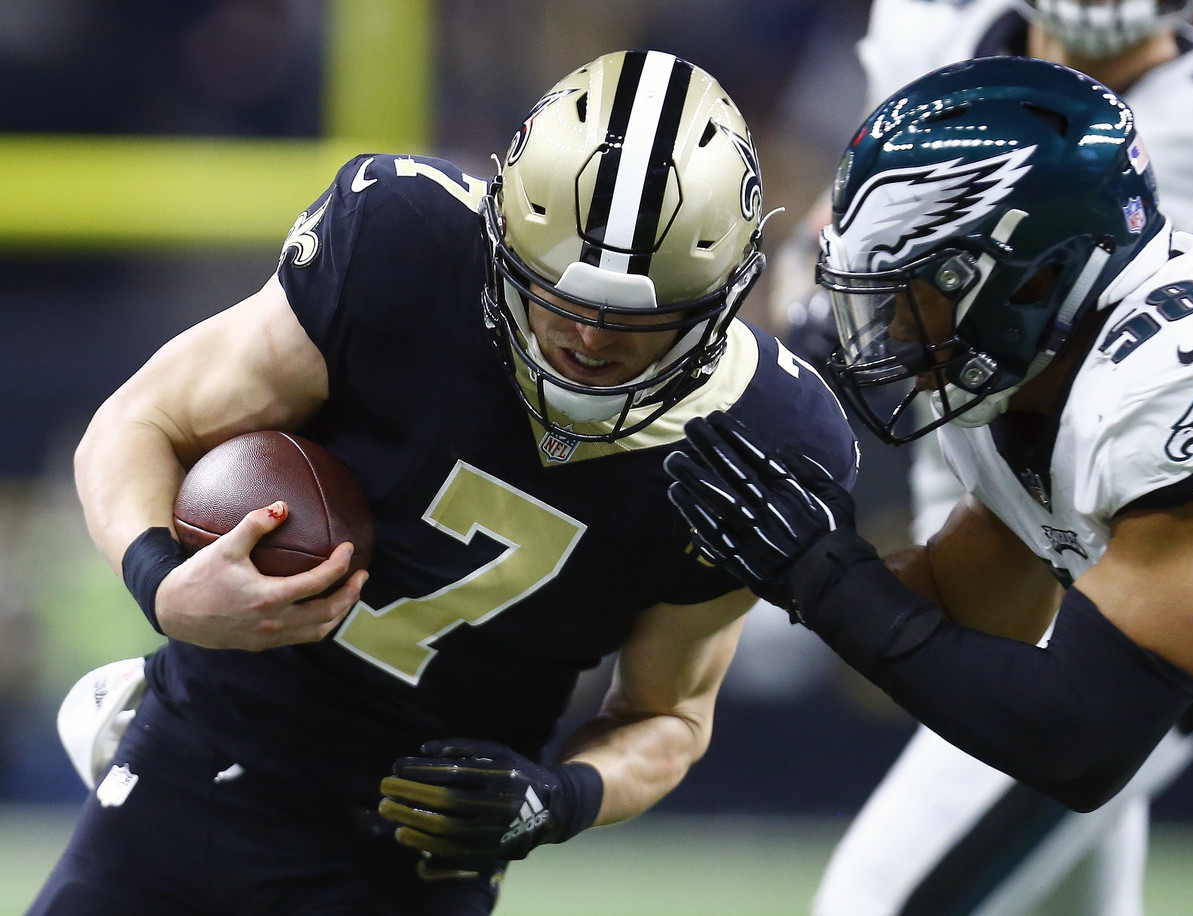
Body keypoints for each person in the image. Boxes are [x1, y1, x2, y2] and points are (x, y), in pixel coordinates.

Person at [30, 49, 858, 916]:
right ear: (501, 231)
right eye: (557, 297)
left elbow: (670, 717)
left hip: (413, 860)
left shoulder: (767, 440)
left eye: (640, 322)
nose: (588, 339)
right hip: (200, 759)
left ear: (723, 293)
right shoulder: (405, 243)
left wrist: (558, 799)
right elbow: (138, 424)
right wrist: (162, 581)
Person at [666, 55, 1193, 916]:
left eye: (916, 289)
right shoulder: (1038, 379)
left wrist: (819, 572)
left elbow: (1078, 740)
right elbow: (962, 614)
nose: (890, 327)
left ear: (1039, 273)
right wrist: (744, 549)